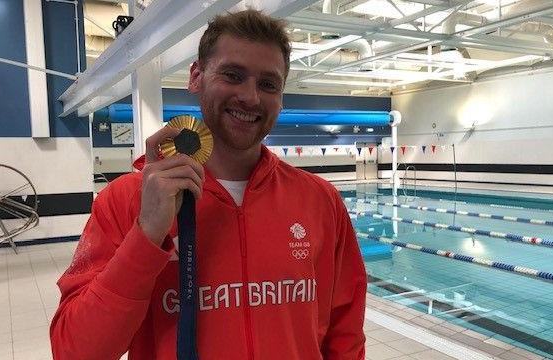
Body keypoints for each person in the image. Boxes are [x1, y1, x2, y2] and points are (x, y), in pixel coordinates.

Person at [50, 9, 366, 360]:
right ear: (196, 76)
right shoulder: (124, 201)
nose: (250, 97)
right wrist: (145, 236)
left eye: (268, 84)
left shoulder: (320, 201)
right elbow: (74, 351)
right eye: (233, 75)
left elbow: (345, 335)